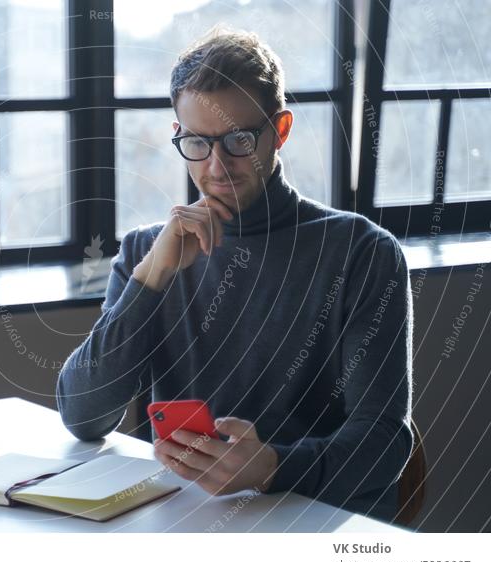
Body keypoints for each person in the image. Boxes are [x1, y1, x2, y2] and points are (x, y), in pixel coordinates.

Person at [56, 26, 413, 522]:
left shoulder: (362, 252)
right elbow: (83, 417)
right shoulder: (148, 250)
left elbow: (386, 442)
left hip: (314, 529)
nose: (217, 166)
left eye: (240, 139)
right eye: (198, 143)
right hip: (185, 525)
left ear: (280, 131)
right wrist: (151, 277)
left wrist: (273, 467)